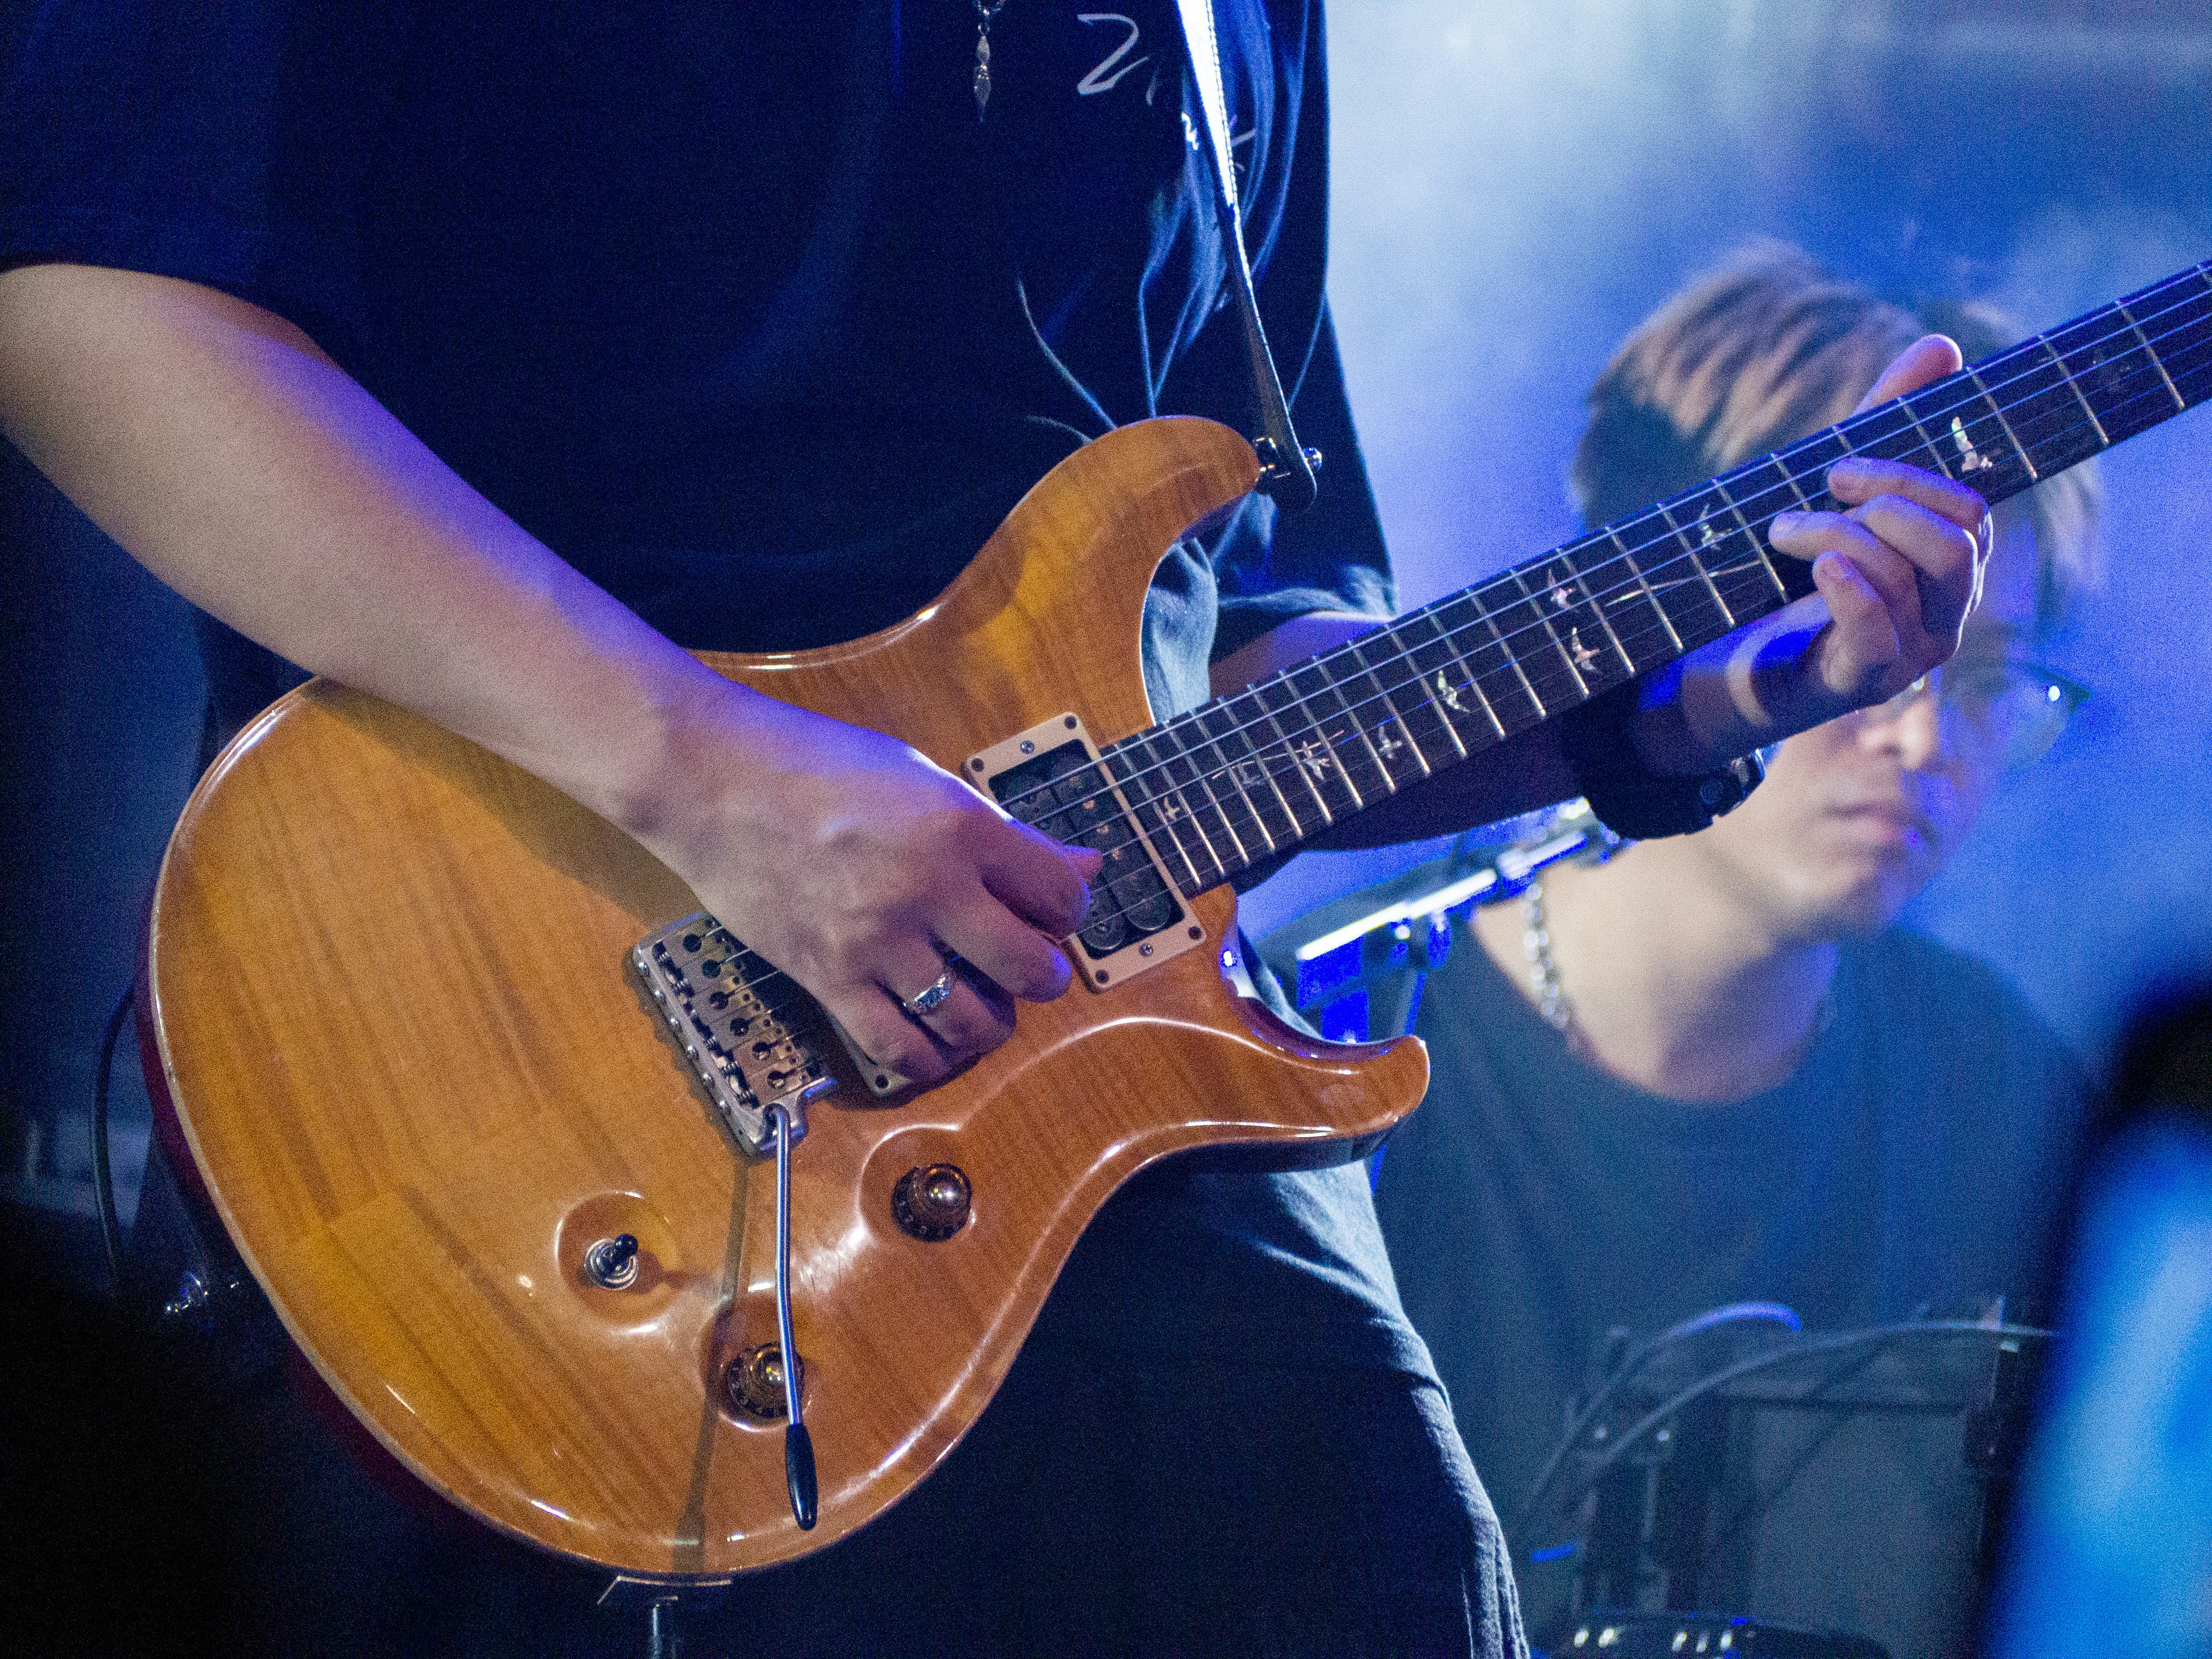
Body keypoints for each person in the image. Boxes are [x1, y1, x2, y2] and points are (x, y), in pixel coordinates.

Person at [0, 12, 1985, 1656]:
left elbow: (1221, 647)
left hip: (1101, 1134)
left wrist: (1705, 698)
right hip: (514, 1061)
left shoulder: (1231, 28)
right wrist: (713, 782)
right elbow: (93, 305)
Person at [1369, 246, 2097, 1656]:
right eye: (1863, 639)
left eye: (1988, 680)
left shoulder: (2007, 1096)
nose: (1918, 735)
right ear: (1645, 602)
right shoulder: (1346, 1051)